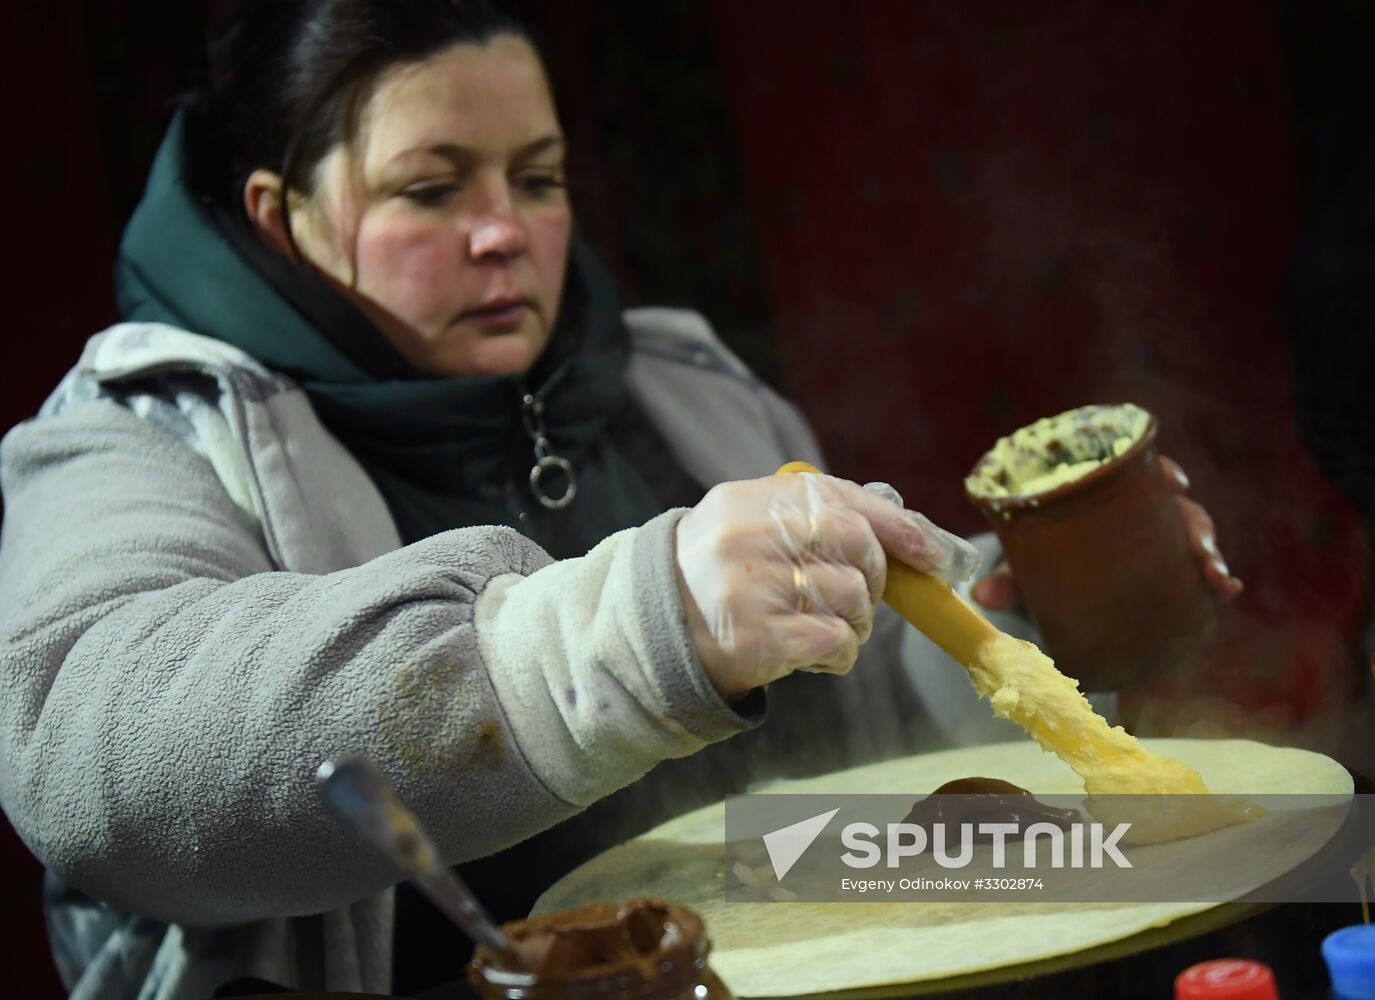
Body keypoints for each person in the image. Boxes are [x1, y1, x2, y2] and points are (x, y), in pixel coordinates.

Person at [0, 3, 1235, 998]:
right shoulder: (139, 430)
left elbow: (847, 744)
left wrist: (1022, 633)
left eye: (537, 180)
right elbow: (93, 758)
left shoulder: (679, 385)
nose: (505, 234)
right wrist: (637, 631)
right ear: (284, 215)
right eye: (433, 189)